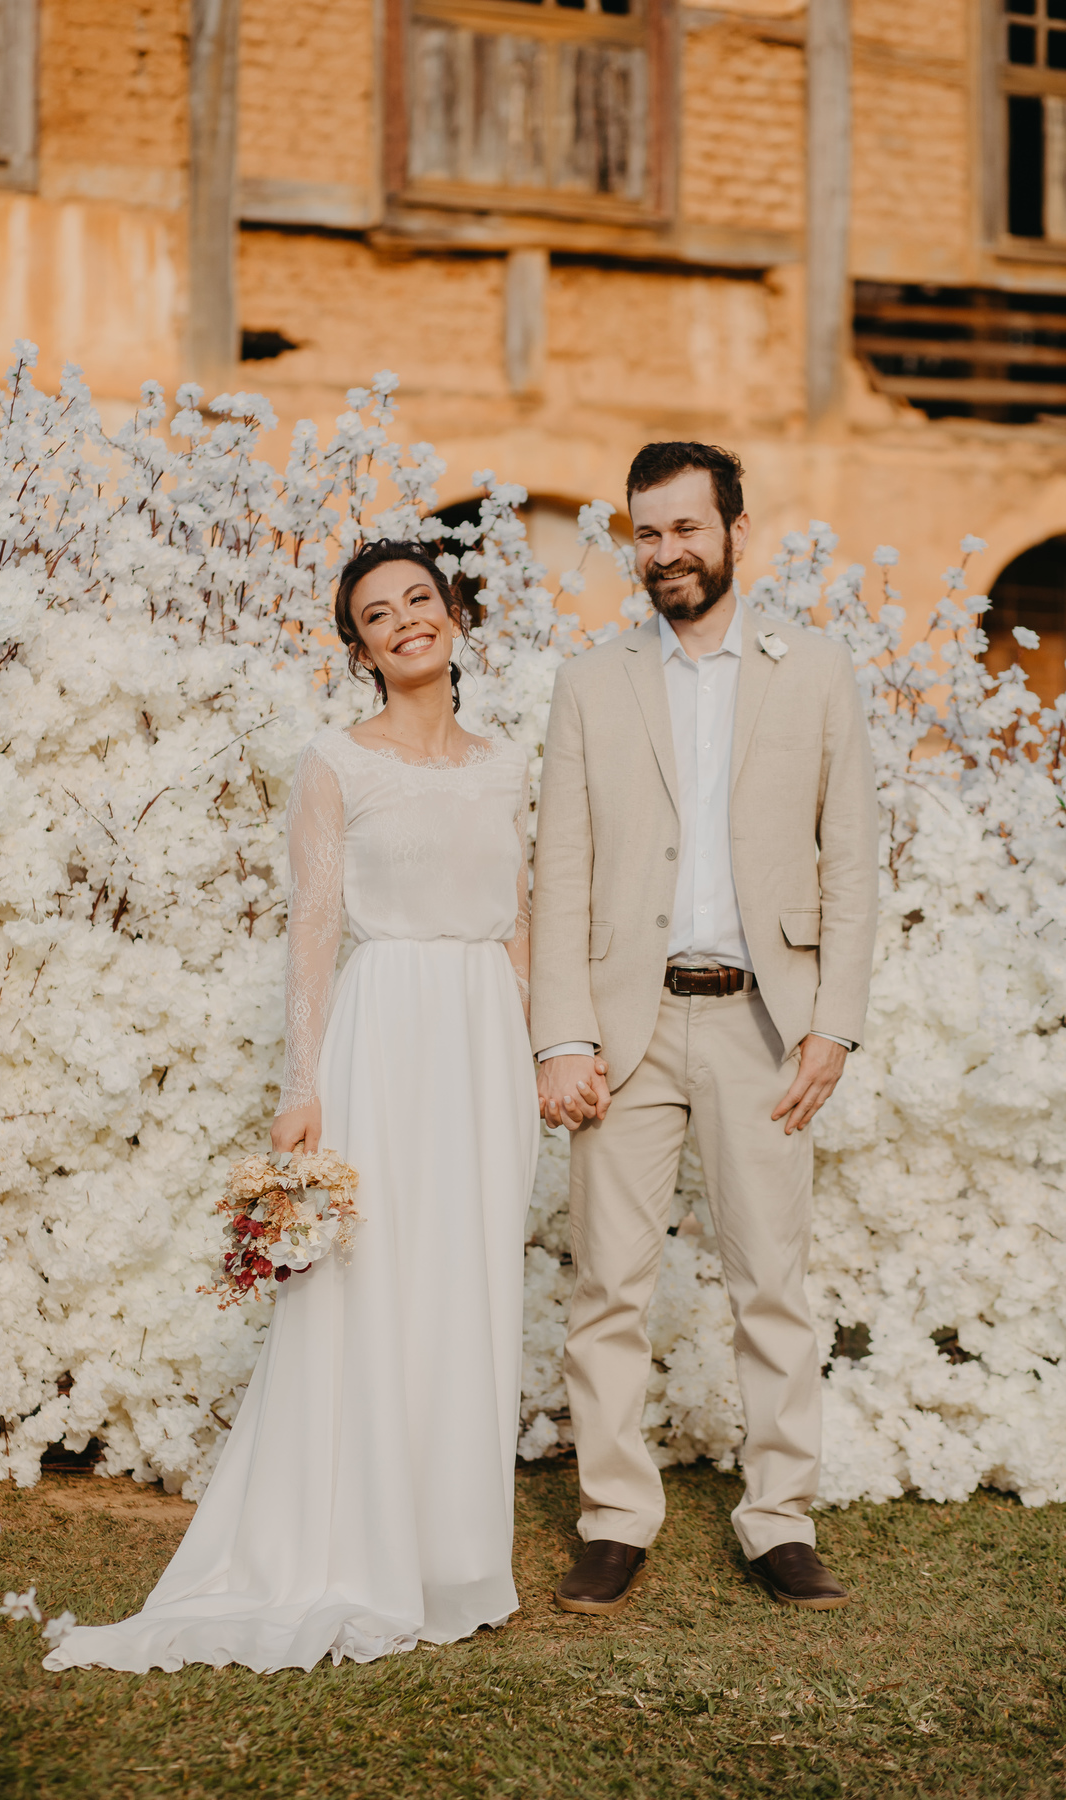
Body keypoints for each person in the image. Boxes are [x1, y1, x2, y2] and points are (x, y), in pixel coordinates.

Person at [44, 540, 539, 1674]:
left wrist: (533, 1044)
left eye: (422, 598)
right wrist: (302, 1086)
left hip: (484, 1044)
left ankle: (452, 1552)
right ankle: (351, 1547)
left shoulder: (511, 763)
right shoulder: (334, 761)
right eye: (379, 612)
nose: (407, 619)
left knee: (469, 1280)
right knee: (374, 1287)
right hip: (389, 1027)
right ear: (357, 646)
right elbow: (315, 926)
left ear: (455, 614)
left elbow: (520, 914)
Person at [531, 442, 878, 1616]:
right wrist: (561, 1033)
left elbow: (853, 866)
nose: (666, 553)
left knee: (771, 1283)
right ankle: (616, 1521)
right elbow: (562, 867)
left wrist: (833, 1024)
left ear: (735, 528)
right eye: (647, 533)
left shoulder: (817, 671)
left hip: (765, 1029)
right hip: (625, 1029)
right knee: (607, 1291)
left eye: (687, 528)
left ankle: (779, 1523)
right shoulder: (590, 682)